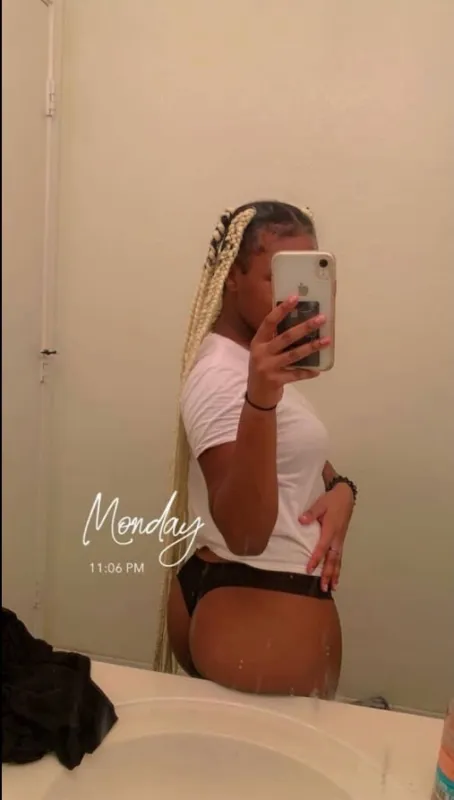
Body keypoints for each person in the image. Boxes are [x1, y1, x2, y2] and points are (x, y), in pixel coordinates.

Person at [153, 201, 357, 697]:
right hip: (260, 600)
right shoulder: (225, 377)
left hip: (244, 600)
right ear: (232, 278)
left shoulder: (249, 364)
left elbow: (288, 455)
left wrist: (341, 489)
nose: (297, 297)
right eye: (277, 278)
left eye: (307, 277)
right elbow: (246, 535)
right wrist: (261, 399)